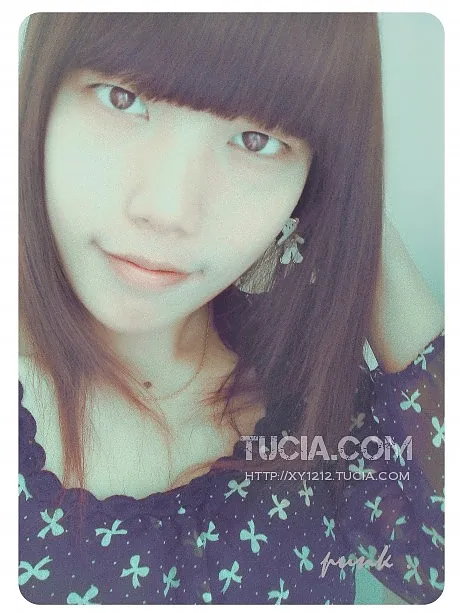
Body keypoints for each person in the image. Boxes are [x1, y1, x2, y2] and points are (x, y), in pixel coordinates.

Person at [18, 13, 444, 605]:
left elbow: (437, 562)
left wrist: (359, 230)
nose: (168, 211)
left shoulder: (311, 395)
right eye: (122, 98)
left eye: (256, 140)